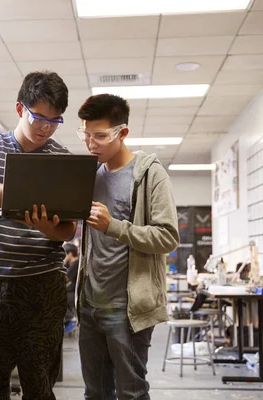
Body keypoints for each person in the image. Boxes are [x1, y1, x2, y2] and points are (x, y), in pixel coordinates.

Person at [0, 71, 77, 400]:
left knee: (40, 386)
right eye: (39, 117)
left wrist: (43, 224)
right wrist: (31, 190)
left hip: (42, 284)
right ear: (19, 109)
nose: (46, 127)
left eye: (55, 120)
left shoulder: (61, 159)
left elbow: (68, 229)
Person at [75, 94, 179, 400]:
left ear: (123, 133)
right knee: (95, 393)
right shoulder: (89, 176)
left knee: (131, 392)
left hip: (128, 309)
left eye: (100, 136)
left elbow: (168, 236)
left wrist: (114, 226)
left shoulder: (149, 174)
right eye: (86, 135)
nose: (91, 144)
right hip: (91, 304)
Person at [63, 242, 80, 333]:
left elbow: (65, 278)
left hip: (74, 294)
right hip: (73, 292)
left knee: (59, 297)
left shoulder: (75, 263)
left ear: (69, 254)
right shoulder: (74, 263)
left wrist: (64, 263)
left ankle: (70, 318)